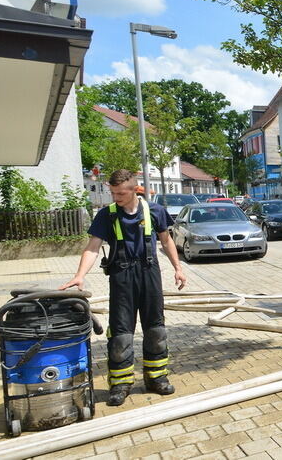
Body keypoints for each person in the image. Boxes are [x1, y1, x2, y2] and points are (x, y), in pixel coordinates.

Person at [60, 169, 187, 406]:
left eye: (120, 193)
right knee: (120, 334)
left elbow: (166, 240)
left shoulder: (155, 211)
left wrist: (178, 268)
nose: (115, 197)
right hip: (122, 276)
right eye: (113, 193)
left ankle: (156, 378)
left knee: (156, 330)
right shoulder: (106, 215)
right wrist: (79, 275)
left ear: (134, 190)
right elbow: (93, 247)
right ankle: (120, 384)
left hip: (149, 273)